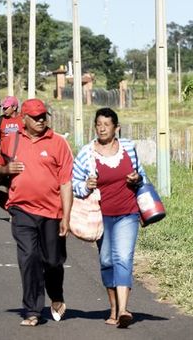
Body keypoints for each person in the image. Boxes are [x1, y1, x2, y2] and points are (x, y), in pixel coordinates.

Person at [0, 98, 73, 327]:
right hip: (22, 209)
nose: (40, 120)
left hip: (52, 212)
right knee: (29, 258)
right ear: (23, 119)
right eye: (35, 117)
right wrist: (6, 169)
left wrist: (66, 216)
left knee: (53, 261)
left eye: (43, 116)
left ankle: (56, 294)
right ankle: (32, 310)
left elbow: (66, 183)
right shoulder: (12, 141)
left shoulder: (58, 143)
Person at [72, 107, 147, 329]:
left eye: (107, 124)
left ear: (117, 127)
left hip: (127, 213)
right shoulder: (87, 153)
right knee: (107, 261)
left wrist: (137, 178)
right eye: (98, 124)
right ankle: (113, 309)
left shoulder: (129, 149)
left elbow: (141, 175)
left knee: (123, 258)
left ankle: (123, 310)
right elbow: (74, 183)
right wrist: (85, 185)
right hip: (100, 216)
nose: (102, 128)